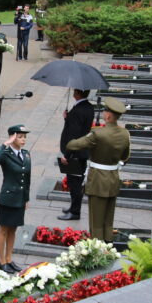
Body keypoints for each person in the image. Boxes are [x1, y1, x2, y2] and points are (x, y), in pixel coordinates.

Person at [65, 98, 131, 242]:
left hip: (97, 180)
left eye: (105, 111)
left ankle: (97, 251)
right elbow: (125, 157)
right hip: (113, 179)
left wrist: (69, 124)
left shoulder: (98, 134)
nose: (103, 113)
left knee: (96, 221)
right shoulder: (125, 134)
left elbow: (73, 145)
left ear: (108, 116)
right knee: (108, 220)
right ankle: (108, 247)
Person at [0, 124, 32, 274]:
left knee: (13, 229)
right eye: (20, 137)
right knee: (4, 229)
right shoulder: (6, 154)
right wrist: (6, 143)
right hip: (8, 197)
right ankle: (1, 261)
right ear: (12, 137)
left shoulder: (26, 154)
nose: (23, 140)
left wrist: (26, 198)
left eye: (24, 137)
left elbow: (27, 178)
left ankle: (9, 259)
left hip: (20, 198)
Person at [58, 89, 94, 220]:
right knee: (75, 182)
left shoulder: (78, 110)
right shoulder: (88, 107)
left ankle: (75, 212)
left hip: (75, 153)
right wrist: (68, 119)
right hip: (82, 151)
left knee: (75, 184)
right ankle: (73, 207)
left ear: (77, 93)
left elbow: (74, 136)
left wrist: (67, 155)